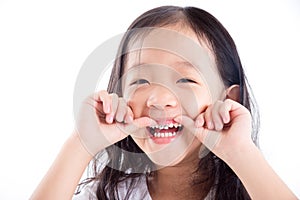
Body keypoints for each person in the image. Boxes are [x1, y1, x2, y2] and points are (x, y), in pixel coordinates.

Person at [30, 6, 297, 200]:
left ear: (228, 100)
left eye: (186, 81)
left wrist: (241, 152)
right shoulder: (111, 195)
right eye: (140, 82)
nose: (158, 100)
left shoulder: (254, 190)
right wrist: (81, 144)